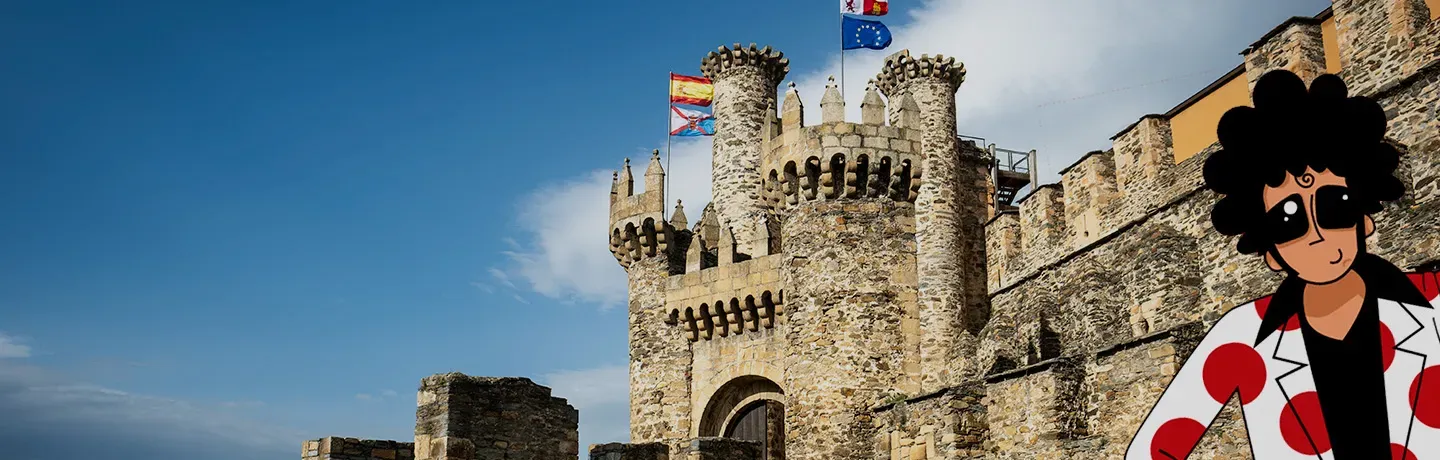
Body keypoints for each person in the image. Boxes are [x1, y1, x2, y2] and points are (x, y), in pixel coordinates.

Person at [1124, 69, 1440, 459]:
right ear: (1271, 251)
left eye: (1335, 207)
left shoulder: (1435, 305)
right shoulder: (1241, 338)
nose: (1318, 233)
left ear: (1365, 218)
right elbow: (1153, 448)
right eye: (1288, 222)